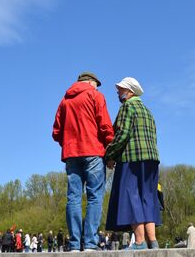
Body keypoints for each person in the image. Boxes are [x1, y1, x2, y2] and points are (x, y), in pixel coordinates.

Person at [52, 71, 115, 252]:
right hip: (93, 151)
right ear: (90, 82)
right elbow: (105, 126)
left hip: (71, 154)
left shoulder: (65, 101)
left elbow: (56, 131)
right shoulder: (95, 95)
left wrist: (68, 143)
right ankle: (89, 243)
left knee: (73, 197)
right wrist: (110, 147)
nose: (96, 87)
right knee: (95, 196)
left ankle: (73, 244)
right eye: (95, 84)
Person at [105, 77, 161, 250]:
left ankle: (139, 242)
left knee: (132, 196)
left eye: (120, 89)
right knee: (148, 197)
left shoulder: (127, 107)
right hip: (152, 158)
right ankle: (153, 241)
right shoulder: (148, 111)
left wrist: (110, 154)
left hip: (132, 157)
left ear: (129, 92)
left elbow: (122, 134)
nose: (118, 92)